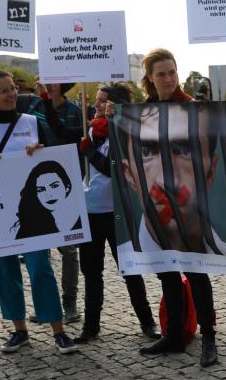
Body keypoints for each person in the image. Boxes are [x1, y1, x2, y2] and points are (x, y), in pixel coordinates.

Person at [113, 48, 226, 367]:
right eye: (161, 73)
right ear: (149, 79)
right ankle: (174, 333)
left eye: (172, 72)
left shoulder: (193, 109)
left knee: (196, 271)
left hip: (192, 210)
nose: (168, 78)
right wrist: (110, 115)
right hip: (158, 216)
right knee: (166, 272)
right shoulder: (142, 113)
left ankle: (209, 335)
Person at [0, 69, 76, 354]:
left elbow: (49, 157)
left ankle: (58, 331)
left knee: (40, 269)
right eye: (4, 90)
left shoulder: (31, 122)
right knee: (5, 270)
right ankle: (19, 330)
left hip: (31, 212)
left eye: (13, 88)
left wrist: (39, 149)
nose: (12, 94)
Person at [42, 82, 162, 344]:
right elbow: (60, 130)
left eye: (101, 101)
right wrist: (48, 97)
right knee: (91, 272)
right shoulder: (91, 131)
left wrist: (89, 152)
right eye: (95, 100)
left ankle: (147, 322)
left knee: (130, 270)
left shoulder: (127, 132)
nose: (95, 105)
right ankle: (91, 325)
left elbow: (115, 170)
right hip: (92, 211)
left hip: (118, 213)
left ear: (115, 104)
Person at [11, 160, 80, 239]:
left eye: (54, 186)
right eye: (41, 190)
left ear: (67, 187)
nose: (49, 194)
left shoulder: (82, 219)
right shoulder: (31, 226)